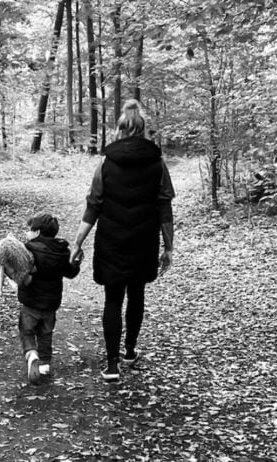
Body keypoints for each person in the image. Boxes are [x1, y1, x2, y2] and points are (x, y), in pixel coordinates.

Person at [70, 99, 175, 381]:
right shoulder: (157, 162)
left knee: (113, 299)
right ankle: (129, 351)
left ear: (119, 129)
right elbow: (165, 207)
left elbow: (93, 204)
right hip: (143, 240)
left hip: (111, 240)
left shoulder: (106, 163)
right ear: (143, 130)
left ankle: (112, 365)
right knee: (136, 293)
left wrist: (78, 241)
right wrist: (169, 247)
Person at [18, 213, 82, 384]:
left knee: (27, 330)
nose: (27, 233)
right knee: (46, 333)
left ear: (37, 232)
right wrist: (76, 262)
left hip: (30, 302)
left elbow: (18, 268)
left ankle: (31, 353)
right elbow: (71, 272)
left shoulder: (28, 250)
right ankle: (44, 364)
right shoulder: (62, 252)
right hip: (51, 304)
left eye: (29, 230)